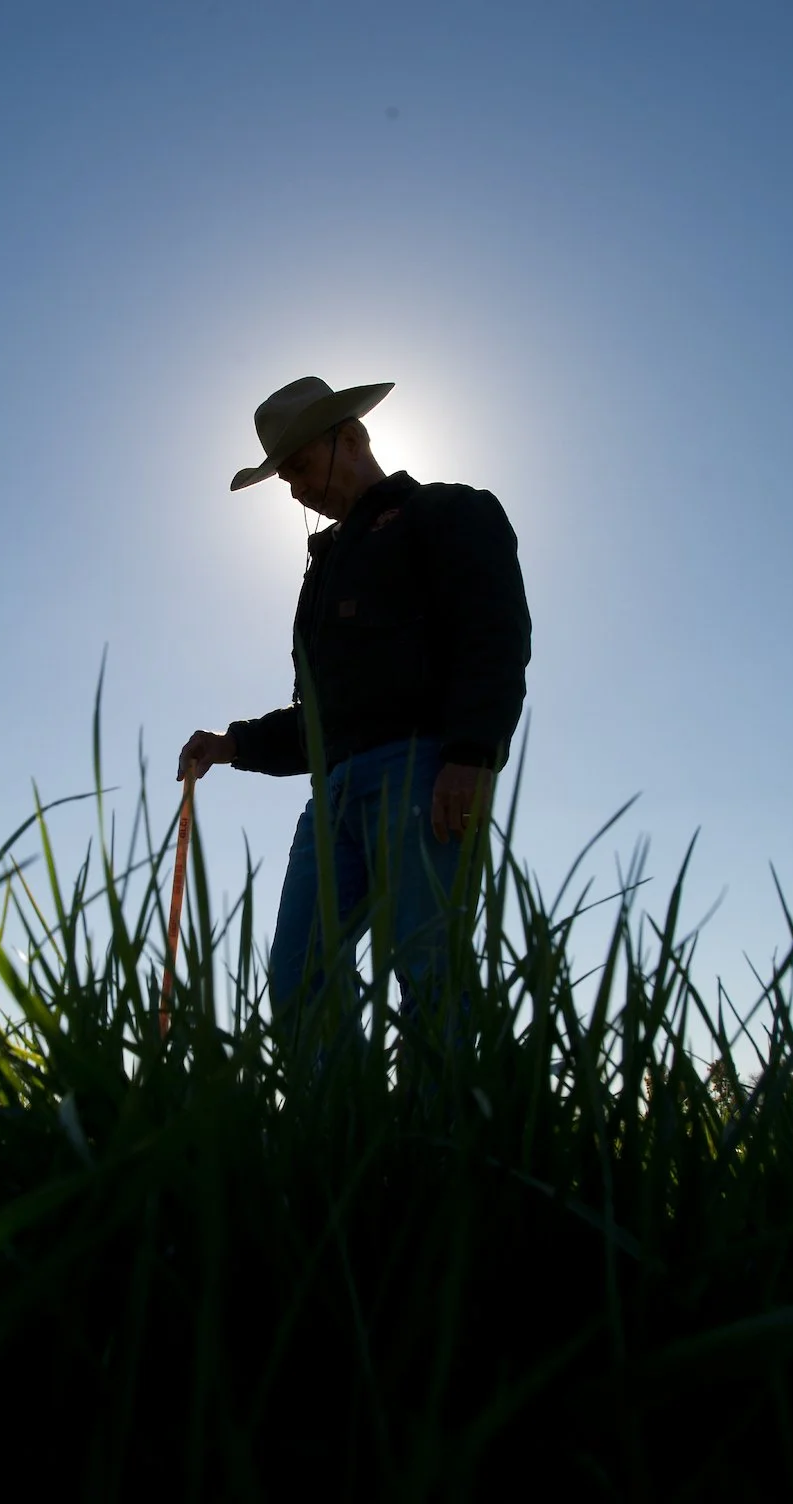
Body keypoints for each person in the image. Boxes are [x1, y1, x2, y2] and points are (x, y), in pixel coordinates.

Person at [178, 376, 532, 1052]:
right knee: (296, 979)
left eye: (302, 468)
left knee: (431, 973)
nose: (295, 491)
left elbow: (494, 633)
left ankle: (449, 1146)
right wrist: (230, 744)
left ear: (352, 438)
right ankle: (336, 1146)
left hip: (424, 771)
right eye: (285, 478)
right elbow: (322, 716)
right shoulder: (323, 572)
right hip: (333, 792)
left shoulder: (448, 512)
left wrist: (472, 752)